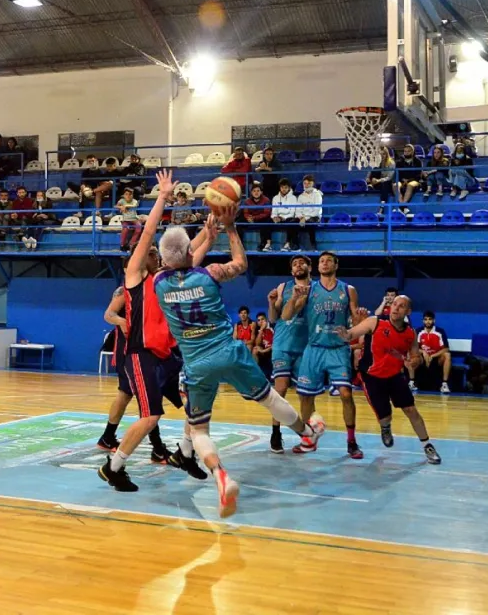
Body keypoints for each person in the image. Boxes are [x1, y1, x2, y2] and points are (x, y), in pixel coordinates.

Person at [154, 193, 325, 518]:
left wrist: (206, 235)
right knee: (269, 399)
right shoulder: (210, 274)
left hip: (196, 361)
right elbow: (241, 264)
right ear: (191, 252)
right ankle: (306, 433)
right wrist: (229, 229)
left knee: (199, 428)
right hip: (229, 350)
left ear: (164, 259)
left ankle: (221, 477)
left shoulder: (159, 282)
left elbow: (182, 258)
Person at [97, 170, 217, 493]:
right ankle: (113, 466)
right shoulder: (134, 277)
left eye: (156, 253)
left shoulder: (165, 280)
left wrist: (209, 234)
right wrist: (163, 197)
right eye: (150, 251)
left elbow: (189, 257)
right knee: (150, 416)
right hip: (141, 354)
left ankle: (184, 452)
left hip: (166, 356)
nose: (155, 254)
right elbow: (150, 231)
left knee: (196, 398)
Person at [339, 296, 442, 464]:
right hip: (372, 377)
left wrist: (415, 361)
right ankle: (385, 427)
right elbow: (351, 333)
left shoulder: (410, 332)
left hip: (395, 376)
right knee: (385, 417)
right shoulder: (375, 322)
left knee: (411, 410)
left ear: (408, 311)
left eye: (401, 306)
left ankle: (427, 445)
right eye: (394, 304)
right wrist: (344, 334)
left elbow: (415, 355)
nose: (396, 308)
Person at [283, 251, 364, 458]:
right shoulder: (309, 290)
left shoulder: (348, 290)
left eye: (328, 261)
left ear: (336, 265)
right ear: (317, 267)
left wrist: (360, 318)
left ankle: (352, 441)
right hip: (315, 348)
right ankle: (309, 439)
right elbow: (286, 316)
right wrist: (293, 299)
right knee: (305, 396)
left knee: (346, 395)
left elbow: (356, 322)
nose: (324, 263)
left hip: (338, 349)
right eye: (321, 261)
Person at [97, 269, 174, 462]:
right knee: (146, 397)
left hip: (143, 350)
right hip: (128, 350)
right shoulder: (125, 290)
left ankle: (107, 437)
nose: (155, 257)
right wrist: (121, 321)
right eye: (150, 253)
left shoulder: (153, 286)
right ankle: (157, 447)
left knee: (126, 395)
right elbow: (108, 313)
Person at [266, 255, 312, 453]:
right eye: (294, 264)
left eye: (302, 263)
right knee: (281, 390)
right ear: (291, 270)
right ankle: (276, 433)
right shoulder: (283, 287)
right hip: (282, 344)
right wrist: (271, 302)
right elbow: (274, 318)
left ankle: (306, 434)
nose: (298, 266)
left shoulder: (318, 289)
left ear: (310, 267)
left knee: (305, 394)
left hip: (305, 346)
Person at [414, 311, 451, 394]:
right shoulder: (418, 331)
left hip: (436, 358)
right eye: (425, 319)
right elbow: (414, 347)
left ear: (434, 320)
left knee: (447, 355)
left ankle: (444, 384)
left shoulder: (440, 331)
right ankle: (411, 382)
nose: (427, 321)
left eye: (430, 319)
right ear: (423, 321)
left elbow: (446, 349)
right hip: (422, 359)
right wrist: (423, 352)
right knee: (410, 355)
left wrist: (432, 356)